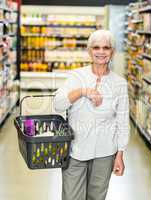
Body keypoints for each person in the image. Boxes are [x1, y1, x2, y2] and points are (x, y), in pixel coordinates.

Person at [54, 29, 129, 200]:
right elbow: (57, 104)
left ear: (112, 52)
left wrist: (120, 154)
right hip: (75, 150)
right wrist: (82, 91)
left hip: (105, 153)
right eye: (96, 47)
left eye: (106, 47)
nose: (101, 52)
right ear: (89, 51)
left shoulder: (119, 84)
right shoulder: (76, 76)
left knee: (96, 197)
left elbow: (122, 122)